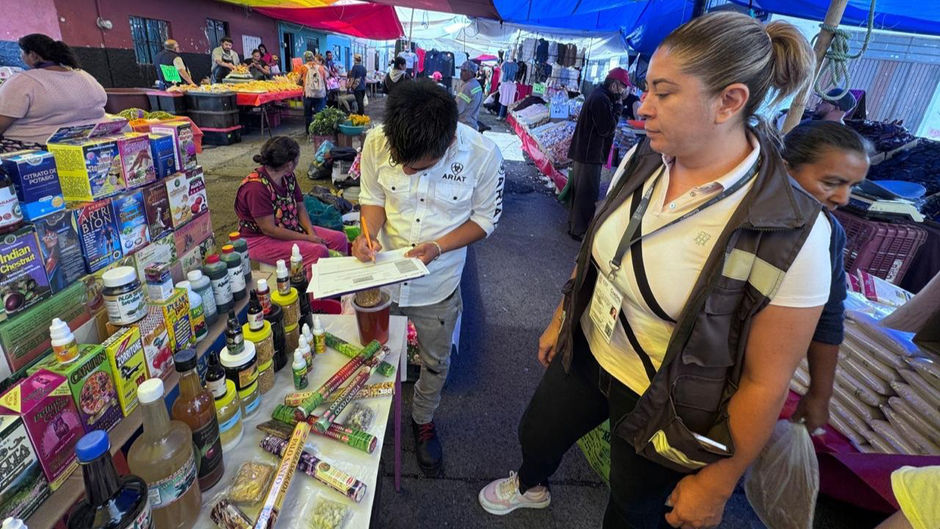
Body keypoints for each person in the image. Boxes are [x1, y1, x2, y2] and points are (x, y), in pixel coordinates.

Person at [479, 12, 830, 529]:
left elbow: (763, 382)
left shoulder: (791, 230)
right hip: (592, 345)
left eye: (663, 93)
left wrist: (717, 483)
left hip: (668, 394)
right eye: (645, 89)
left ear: (729, 101)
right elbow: (595, 255)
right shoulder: (643, 160)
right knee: (537, 431)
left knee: (633, 502)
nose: (642, 107)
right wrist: (562, 314)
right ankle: (530, 483)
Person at [353, 79, 504, 477]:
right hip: (383, 276)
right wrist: (366, 235)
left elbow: (486, 220)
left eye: (416, 165)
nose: (404, 170)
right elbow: (372, 198)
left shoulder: (483, 155)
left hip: (438, 282)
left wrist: (438, 246)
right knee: (372, 351)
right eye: (400, 163)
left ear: (449, 140)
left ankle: (423, 420)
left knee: (435, 362)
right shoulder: (375, 143)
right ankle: (367, 413)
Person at [783, 121, 871, 433]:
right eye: (832, 182)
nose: (844, 198)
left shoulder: (828, 233)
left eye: (853, 186)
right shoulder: (735, 213)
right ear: (785, 169)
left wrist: (820, 393)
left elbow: (829, 312)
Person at [234, 136, 348, 269]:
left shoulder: (288, 176)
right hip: (258, 239)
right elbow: (269, 230)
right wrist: (307, 238)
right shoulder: (256, 188)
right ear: (289, 164)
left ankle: (339, 282)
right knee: (318, 251)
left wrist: (310, 232)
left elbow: (300, 207)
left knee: (339, 239)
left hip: (289, 227)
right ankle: (311, 289)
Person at [0, 34, 106, 151]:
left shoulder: (24, 80)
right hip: (91, 139)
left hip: (40, 146)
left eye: (22, 53)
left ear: (34, 56)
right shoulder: (85, 76)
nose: (21, 57)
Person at [565, 67, 629, 240]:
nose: (623, 90)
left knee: (580, 192)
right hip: (589, 153)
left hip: (585, 152)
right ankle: (578, 230)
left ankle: (574, 226)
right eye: (622, 86)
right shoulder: (601, 99)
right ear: (614, 84)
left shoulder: (600, 95)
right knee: (587, 193)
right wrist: (617, 108)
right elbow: (606, 128)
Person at [298, 52, 327, 134]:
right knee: (320, 115)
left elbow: (298, 81)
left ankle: (308, 133)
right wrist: (326, 91)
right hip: (320, 95)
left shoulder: (303, 68)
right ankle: (320, 132)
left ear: (305, 58)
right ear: (313, 57)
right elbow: (325, 81)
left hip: (308, 95)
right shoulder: (321, 68)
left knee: (308, 115)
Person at [455, 62, 483, 130]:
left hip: (463, 125)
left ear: (472, 73)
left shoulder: (467, 87)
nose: (461, 73)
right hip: (472, 123)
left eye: (464, 71)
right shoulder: (476, 84)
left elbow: (457, 109)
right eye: (461, 70)